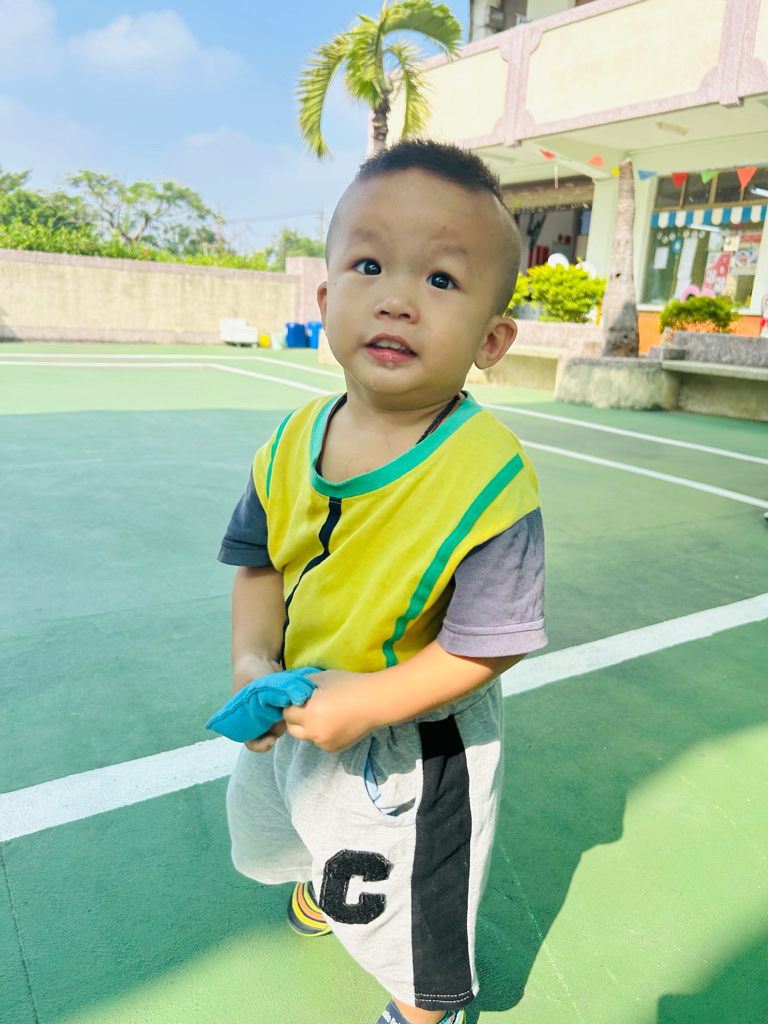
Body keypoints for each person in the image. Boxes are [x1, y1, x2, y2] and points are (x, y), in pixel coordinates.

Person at [217, 139, 547, 1024]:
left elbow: (492, 642)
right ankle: (321, 881)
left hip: (414, 734)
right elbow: (259, 562)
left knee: (413, 900)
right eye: (369, 265)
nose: (397, 297)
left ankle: (423, 1004)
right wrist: (252, 661)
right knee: (282, 820)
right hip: (299, 698)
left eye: (441, 278)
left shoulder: (489, 477)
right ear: (327, 300)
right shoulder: (290, 439)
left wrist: (369, 702)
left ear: (492, 339)